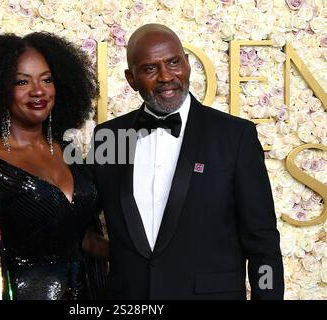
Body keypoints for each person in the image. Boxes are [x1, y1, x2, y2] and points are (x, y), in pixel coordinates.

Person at [88, 24, 284, 299]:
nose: (166, 76)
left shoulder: (235, 136)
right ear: (131, 79)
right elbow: (79, 213)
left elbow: (262, 241)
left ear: (188, 64)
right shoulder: (108, 137)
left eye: (173, 62)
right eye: (150, 69)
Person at [0, 32, 108, 300]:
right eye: (22, 81)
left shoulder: (68, 151)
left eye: (47, 79)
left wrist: (141, 255)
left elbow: (81, 238)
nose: (39, 91)